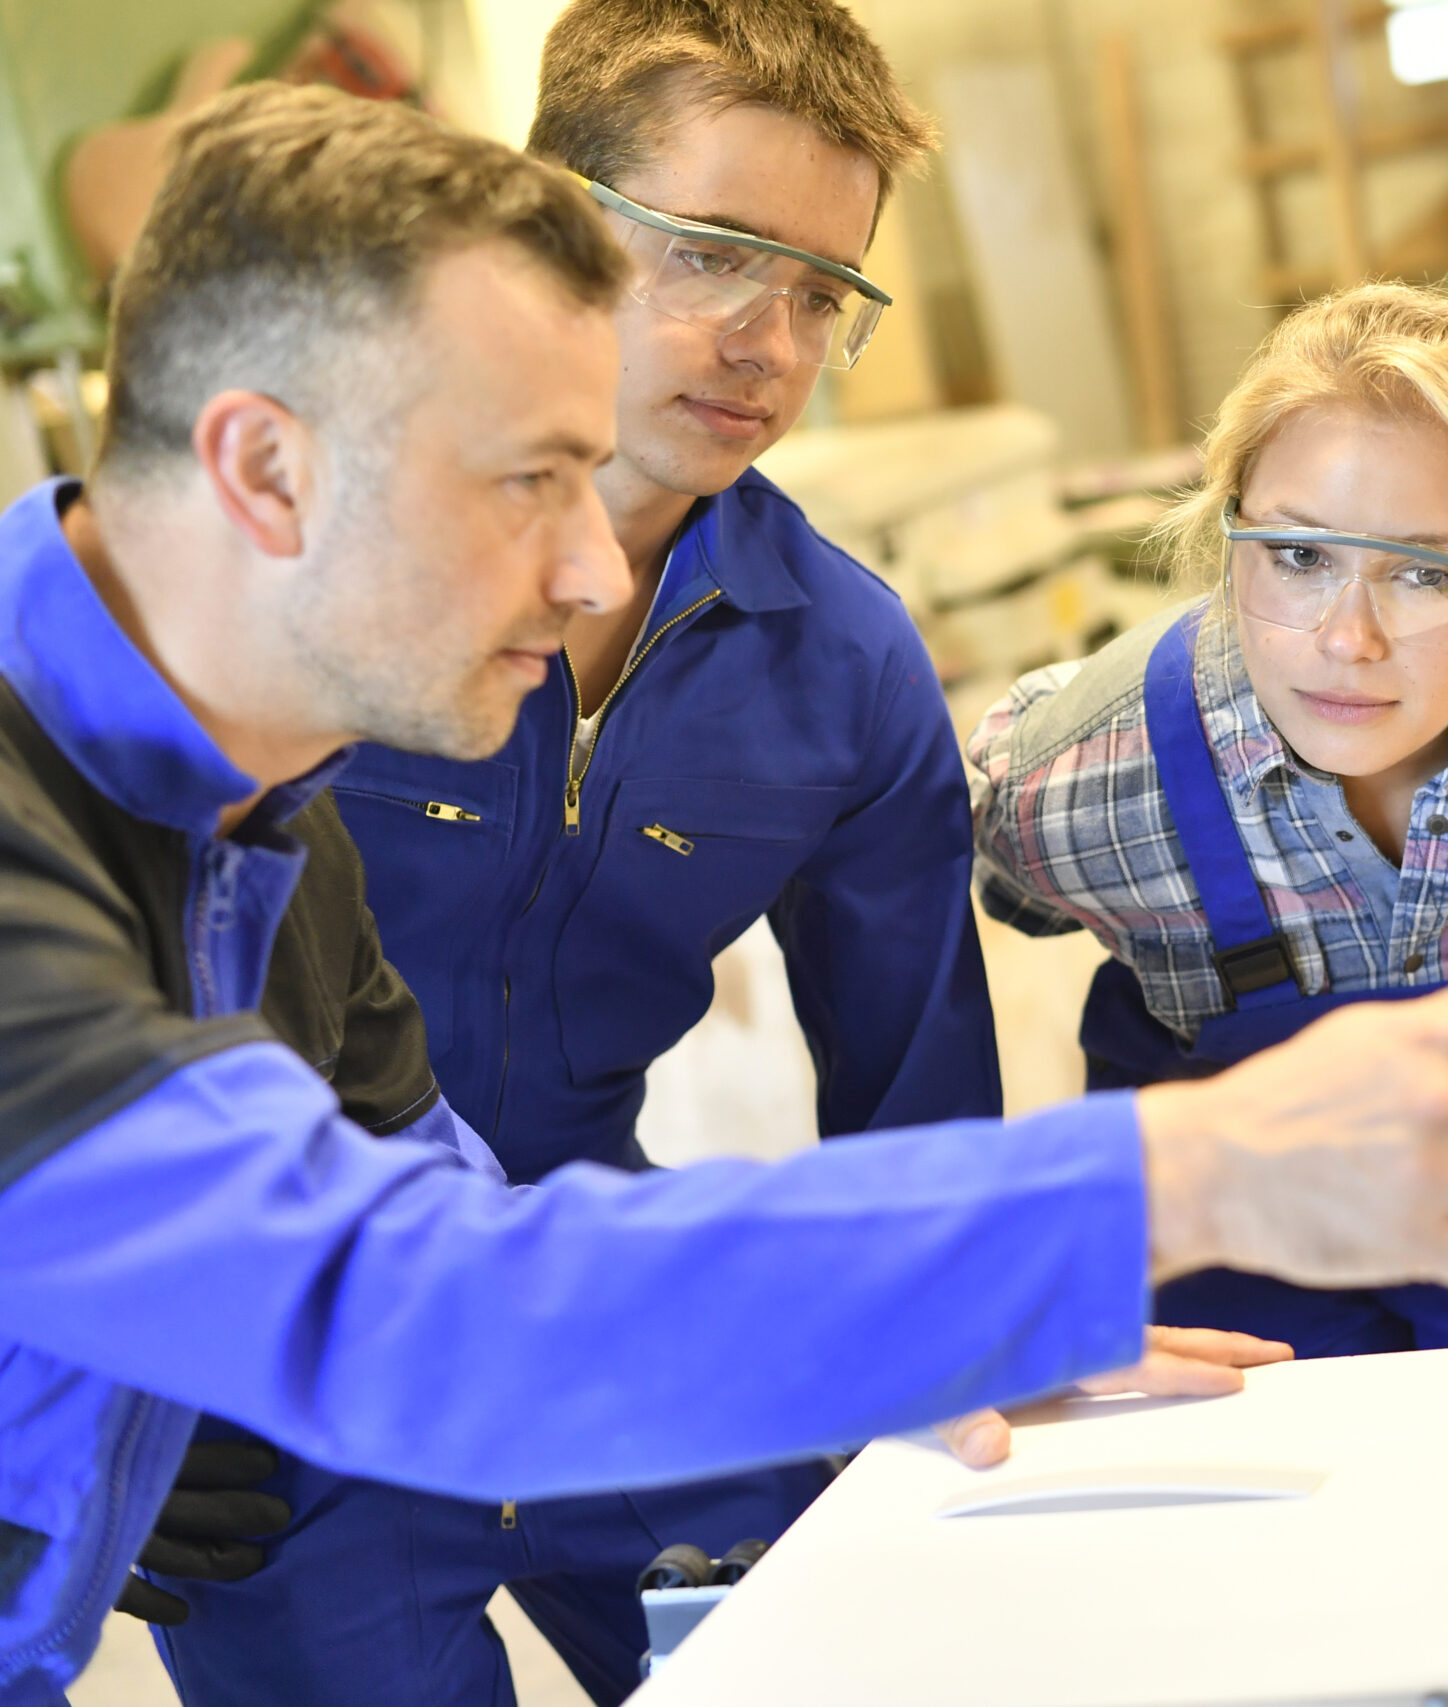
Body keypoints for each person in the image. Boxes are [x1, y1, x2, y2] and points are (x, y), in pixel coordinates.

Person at [0, 86, 1448, 1707]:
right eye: (526, 481)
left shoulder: (260, 816)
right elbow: (407, 1308)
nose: (595, 568)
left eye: (821, 291)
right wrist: (1187, 1170)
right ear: (265, 467)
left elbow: (458, 1246)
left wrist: (949, 1323)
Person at [150, 6, 1052, 1702]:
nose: (766, 341)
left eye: (821, 293)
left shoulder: (841, 664)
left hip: (602, 1314)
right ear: (543, 216)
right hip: (285, 1370)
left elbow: (914, 1115)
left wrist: (952, 1355)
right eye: (713, 252)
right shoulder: (294, 566)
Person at [972, 283, 1448, 1356]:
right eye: (1297, 557)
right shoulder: (1077, 780)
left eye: (1425, 573)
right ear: (1228, 530)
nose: (1348, 641)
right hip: (1239, 1324)